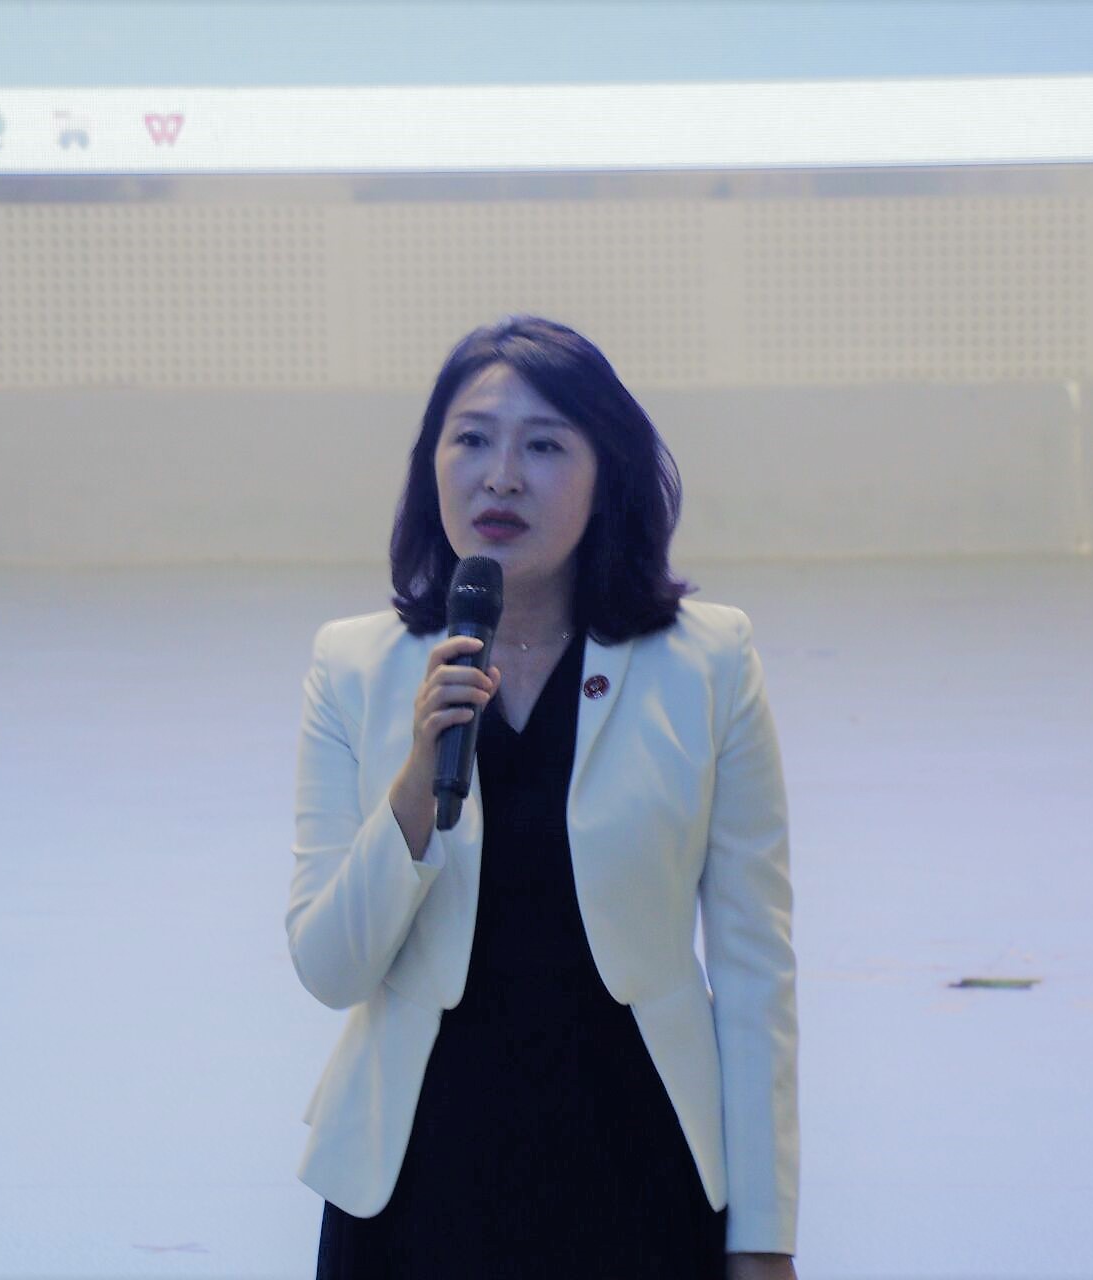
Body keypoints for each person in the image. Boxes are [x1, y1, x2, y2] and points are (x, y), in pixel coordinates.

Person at [287, 315, 799, 1279]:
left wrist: (766, 1236)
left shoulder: (708, 662)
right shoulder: (353, 668)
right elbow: (330, 968)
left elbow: (754, 968)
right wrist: (414, 783)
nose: (502, 477)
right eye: (472, 439)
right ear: (430, 464)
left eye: (545, 446)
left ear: (608, 474)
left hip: (639, 1172)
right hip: (418, 1187)